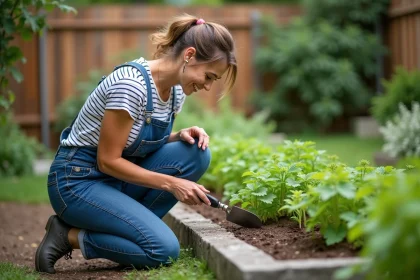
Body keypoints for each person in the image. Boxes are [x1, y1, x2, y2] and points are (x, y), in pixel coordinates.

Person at [35, 14, 237, 274]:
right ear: (189, 55)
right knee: (163, 250)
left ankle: (131, 232)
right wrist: (173, 183)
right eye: (208, 76)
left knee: (196, 154)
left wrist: (178, 135)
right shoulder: (131, 85)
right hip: (77, 182)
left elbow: (136, 137)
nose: (208, 86)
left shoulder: (176, 90)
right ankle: (68, 235)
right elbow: (107, 160)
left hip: (114, 180)